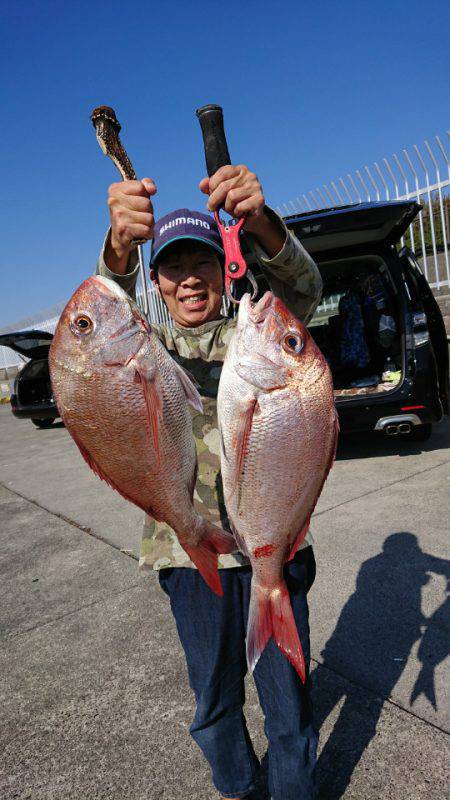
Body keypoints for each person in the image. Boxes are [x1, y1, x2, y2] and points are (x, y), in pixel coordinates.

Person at [96, 164, 323, 800]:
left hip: (274, 545)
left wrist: (261, 222)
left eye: (202, 260)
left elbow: (304, 286)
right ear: (156, 282)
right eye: (173, 266)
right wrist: (117, 248)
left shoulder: (258, 333)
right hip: (188, 552)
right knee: (214, 702)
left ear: (225, 268)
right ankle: (240, 790)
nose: (190, 276)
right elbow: (96, 327)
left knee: (290, 707)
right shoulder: (143, 348)